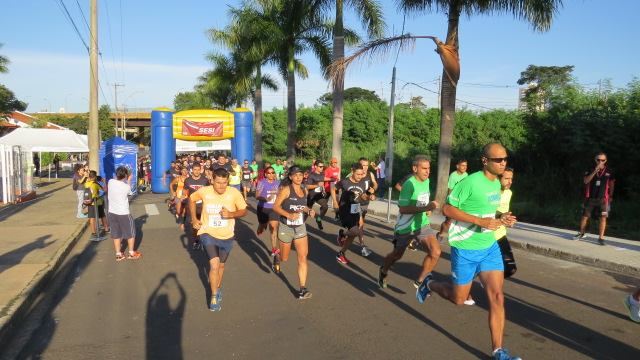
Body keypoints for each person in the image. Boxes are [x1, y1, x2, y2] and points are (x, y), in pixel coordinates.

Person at [417, 143, 520, 360]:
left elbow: (487, 210)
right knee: (459, 299)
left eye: (505, 159)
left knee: (498, 297)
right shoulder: (471, 182)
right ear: (485, 161)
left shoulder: (496, 184)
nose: (503, 163)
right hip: (465, 249)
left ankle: (498, 351)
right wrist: (477, 220)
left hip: (489, 247)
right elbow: (446, 209)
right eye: (498, 160)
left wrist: (502, 217)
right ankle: (430, 283)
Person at [190, 168, 247, 311]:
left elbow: (243, 210)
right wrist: (194, 219)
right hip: (207, 233)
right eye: (218, 183)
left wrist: (231, 214)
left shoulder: (234, 193)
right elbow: (191, 199)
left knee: (221, 265)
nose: (221, 186)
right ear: (212, 181)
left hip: (227, 236)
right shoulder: (204, 191)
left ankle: (217, 287)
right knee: (214, 264)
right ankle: (214, 296)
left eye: (224, 183)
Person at [378, 155, 439, 289]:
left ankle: (420, 282)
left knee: (435, 252)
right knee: (397, 255)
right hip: (406, 226)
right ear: (415, 168)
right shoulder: (408, 185)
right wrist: (427, 207)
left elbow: (423, 198)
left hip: (422, 223)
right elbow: (403, 209)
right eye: (424, 168)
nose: (428, 171)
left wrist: (427, 208)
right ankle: (383, 270)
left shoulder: (427, 181)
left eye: (429, 168)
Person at [272, 166, 315, 299]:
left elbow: (303, 205)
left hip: (300, 227)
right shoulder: (286, 190)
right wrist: (288, 215)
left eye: (300, 175)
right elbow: (275, 207)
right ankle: (277, 257)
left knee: (302, 258)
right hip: (286, 227)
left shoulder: (304, 189)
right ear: (290, 177)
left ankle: (302, 289)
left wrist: (309, 210)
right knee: (285, 258)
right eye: (295, 175)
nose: (298, 177)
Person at [332, 163, 373, 265]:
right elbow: (333, 189)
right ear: (352, 172)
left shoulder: (363, 183)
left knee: (352, 235)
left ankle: (341, 253)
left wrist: (369, 195)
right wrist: (335, 203)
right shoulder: (345, 182)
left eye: (361, 174)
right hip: (344, 210)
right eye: (358, 174)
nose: (360, 177)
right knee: (356, 231)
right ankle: (342, 235)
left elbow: (362, 197)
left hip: (355, 209)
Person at [573, 152, 615, 245]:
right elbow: (586, 181)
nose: (600, 162)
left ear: (606, 161)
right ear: (595, 160)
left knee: (603, 218)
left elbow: (612, 184)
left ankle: (601, 238)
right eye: (598, 160)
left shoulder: (609, 171)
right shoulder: (590, 169)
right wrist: (595, 171)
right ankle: (582, 233)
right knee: (585, 216)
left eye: (603, 160)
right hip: (590, 198)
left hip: (603, 199)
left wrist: (611, 196)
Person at [107, 166, 140, 261]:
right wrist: (129, 180)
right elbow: (130, 192)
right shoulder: (126, 187)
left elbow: (116, 179)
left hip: (112, 212)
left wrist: (125, 176)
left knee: (116, 233)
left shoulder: (110, 182)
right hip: (124, 213)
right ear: (125, 175)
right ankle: (131, 253)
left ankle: (118, 254)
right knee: (131, 233)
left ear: (117, 174)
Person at [437, 159, 469, 242]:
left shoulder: (466, 175)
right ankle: (441, 233)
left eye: (466, 166)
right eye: (462, 165)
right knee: (449, 221)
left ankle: (457, 238)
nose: (464, 167)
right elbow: (450, 189)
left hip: (462, 201)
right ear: (457, 166)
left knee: (460, 220)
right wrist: (450, 202)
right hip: (453, 201)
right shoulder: (453, 175)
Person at [355, 157, 378, 257]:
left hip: (365, 203)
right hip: (356, 203)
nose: (364, 167)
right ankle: (363, 246)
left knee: (358, 225)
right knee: (360, 224)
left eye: (366, 165)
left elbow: (375, 184)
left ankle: (343, 235)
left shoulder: (370, 174)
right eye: (362, 165)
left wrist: (373, 190)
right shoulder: (355, 175)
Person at [255, 166, 280, 259]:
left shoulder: (278, 183)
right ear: (265, 174)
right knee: (262, 225)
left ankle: (274, 248)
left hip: (274, 209)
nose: (271, 174)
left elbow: (282, 193)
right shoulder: (262, 182)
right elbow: (257, 196)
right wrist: (265, 199)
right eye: (269, 173)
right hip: (263, 208)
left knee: (273, 227)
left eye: (273, 172)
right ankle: (261, 226)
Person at [184, 163, 210, 250]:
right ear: (192, 170)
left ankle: (205, 240)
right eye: (195, 169)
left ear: (201, 170)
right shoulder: (187, 180)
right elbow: (185, 192)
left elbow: (208, 192)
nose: (196, 171)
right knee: (194, 226)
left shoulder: (205, 180)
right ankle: (196, 240)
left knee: (205, 223)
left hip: (203, 206)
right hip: (192, 207)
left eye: (198, 170)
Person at [83, 170, 109, 239]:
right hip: (98, 202)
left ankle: (93, 232)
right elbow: (104, 190)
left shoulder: (86, 184)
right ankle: (106, 229)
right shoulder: (96, 184)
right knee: (102, 215)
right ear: (94, 177)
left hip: (90, 203)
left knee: (92, 218)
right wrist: (104, 182)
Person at [306, 160, 330, 230]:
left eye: (323, 166)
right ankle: (299, 226)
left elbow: (322, 183)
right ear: (315, 166)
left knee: (325, 206)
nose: (322, 168)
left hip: (318, 195)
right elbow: (307, 186)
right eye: (320, 166)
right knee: (306, 213)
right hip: (311, 196)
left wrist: (323, 189)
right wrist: (316, 185)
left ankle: (319, 219)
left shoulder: (322, 174)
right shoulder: (311, 175)